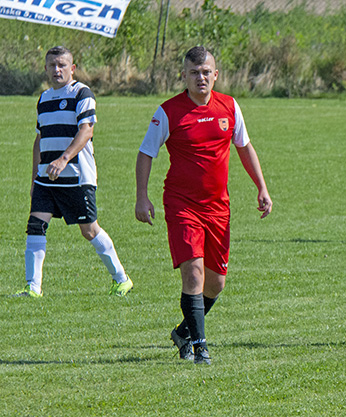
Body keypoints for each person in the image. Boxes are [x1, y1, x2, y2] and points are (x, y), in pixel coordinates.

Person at [135, 46, 272, 365]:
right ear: (183, 75)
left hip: (218, 207)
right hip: (182, 204)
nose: (200, 78)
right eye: (194, 73)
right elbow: (145, 153)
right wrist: (142, 196)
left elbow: (245, 147)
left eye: (206, 72)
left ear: (216, 75)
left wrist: (261, 187)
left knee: (216, 282)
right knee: (193, 274)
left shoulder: (229, 107)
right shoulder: (168, 111)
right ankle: (200, 346)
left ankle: (184, 331)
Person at [12, 46, 132, 298]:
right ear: (45, 69)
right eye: (52, 65)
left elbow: (87, 130)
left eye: (62, 65)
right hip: (47, 178)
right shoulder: (44, 98)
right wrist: (35, 176)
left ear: (72, 68)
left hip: (77, 177)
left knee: (89, 230)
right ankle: (33, 288)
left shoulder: (82, 93)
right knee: (35, 225)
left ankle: (121, 279)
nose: (57, 70)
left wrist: (64, 159)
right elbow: (39, 139)